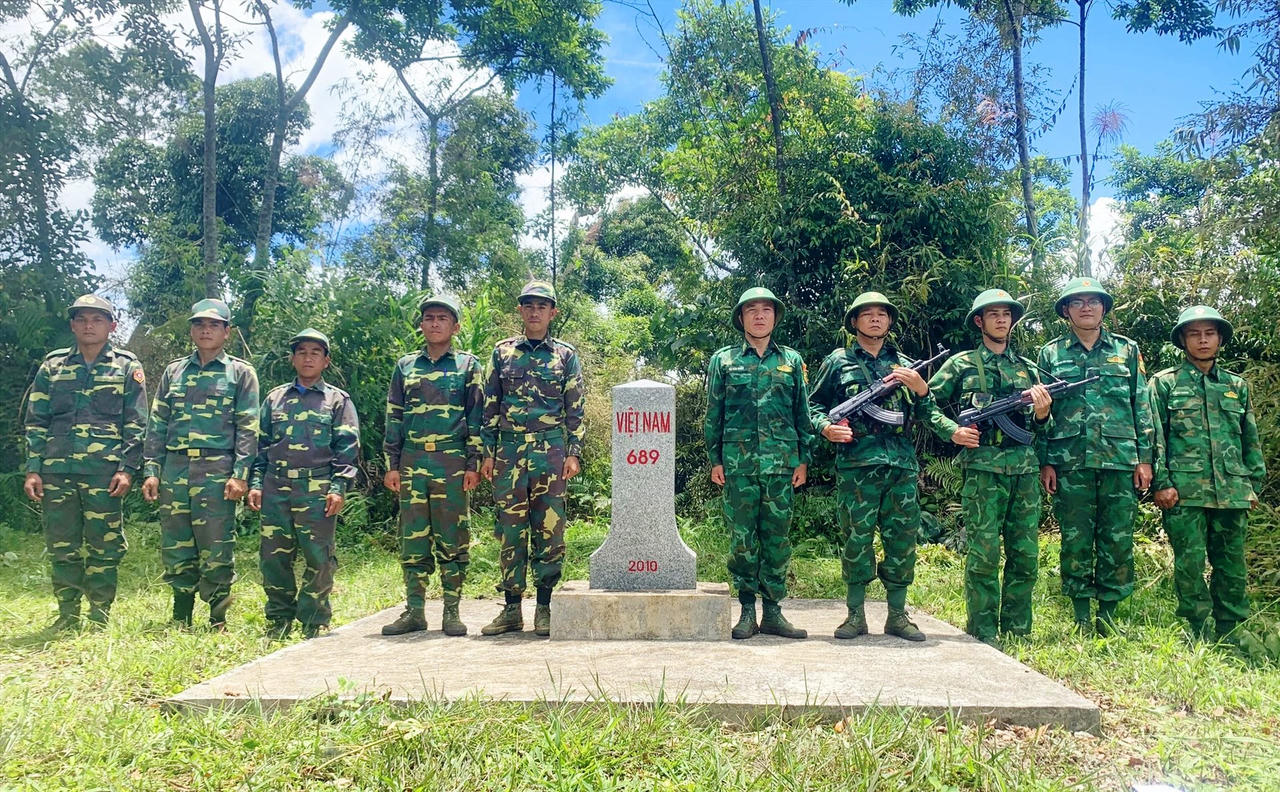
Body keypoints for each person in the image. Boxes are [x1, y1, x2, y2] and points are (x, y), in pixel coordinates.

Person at [925, 289, 1052, 644]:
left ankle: (1017, 630)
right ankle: (982, 631)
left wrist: (1042, 413)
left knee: (1025, 554)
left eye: (1006, 314)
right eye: (992, 314)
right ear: (979, 321)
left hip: (1024, 471)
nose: (1000, 319)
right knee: (984, 554)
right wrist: (953, 431)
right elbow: (924, 403)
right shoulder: (962, 364)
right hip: (982, 471)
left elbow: (1041, 428)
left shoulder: (1029, 368)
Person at [808, 291, 934, 642]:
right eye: (867, 314)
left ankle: (897, 615)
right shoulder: (838, 361)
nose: (875, 319)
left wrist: (922, 390)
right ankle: (855, 616)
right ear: (854, 322)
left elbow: (928, 415)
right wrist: (825, 428)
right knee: (856, 540)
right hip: (857, 467)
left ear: (890, 322)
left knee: (902, 541)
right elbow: (812, 406)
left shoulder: (905, 366)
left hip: (900, 468)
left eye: (882, 314)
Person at [23, 295, 148, 629]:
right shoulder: (53, 366)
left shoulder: (126, 366)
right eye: (81, 319)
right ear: (72, 325)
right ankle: (67, 614)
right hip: (56, 472)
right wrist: (33, 468)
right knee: (62, 546)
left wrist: (128, 468)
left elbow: (136, 423)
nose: (88, 325)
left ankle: (99, 616)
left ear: (112, 326)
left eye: (97, 319)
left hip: (104, 474)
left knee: (104, 547)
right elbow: (37, 420)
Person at [1037, 278, 1154, 635]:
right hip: (1069, 460)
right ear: (1066, 311)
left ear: (1104, 308)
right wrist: (1046, 460)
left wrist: (1144, 458)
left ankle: (1109, 615)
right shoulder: (1050, 354)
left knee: (1117, 537)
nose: (1086, 307)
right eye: (1077, 302)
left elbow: (1142, 404)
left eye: (1093, 301)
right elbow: (1043, 410)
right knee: (1075, 538)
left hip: (1120, 459)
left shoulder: (1127, 349)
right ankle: (1081, 615)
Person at [1149, 305, 1266, 644]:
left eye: (1209, 333)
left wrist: (1252, 485)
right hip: (1185, 492)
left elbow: (1249, 438)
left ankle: (1231, 630)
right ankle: (1196, 629)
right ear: (1183, 340)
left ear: (1219, 339)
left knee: (1231, 565)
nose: (1202, 340)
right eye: (1194, 334)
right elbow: (1156, 436)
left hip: (1232, 491)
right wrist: (1163, 482)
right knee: (1189, 564)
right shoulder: (1165, 384)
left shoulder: (1235, 386)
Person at [142, 298, 259, 629]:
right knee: (176, 543)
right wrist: (152, 470)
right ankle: (181, 615)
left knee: (216, 544)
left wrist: (240, 475)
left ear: (227, 332)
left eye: (213, 325)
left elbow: (248, 427)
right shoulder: (173, 371)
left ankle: (217, 618)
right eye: (199, 324)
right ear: (192, 330)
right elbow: (157, 424)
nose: (205, 330)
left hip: (217, 470)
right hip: (175, 469)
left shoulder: (240, 373)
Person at [705, 286, 813, 640]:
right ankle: (747, 610)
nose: (760, 315)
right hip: (739, 465)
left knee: (777, 538)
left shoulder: (792, 361)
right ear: (741, 318)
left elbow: (802, 412)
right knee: (742, 539)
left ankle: (774, 612)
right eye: (752, 309)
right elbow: (714, 413)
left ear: (775, 316)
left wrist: (803, 458)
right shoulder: (724, 360)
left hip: (782, 464)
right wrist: (715, 458)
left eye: (766, 309)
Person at [479, 281, 585, 637]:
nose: (535, 312)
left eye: (542, 306)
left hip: (550, 451)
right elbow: (490, 405)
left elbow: (575, 409)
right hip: (509, 452)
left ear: (552, 312)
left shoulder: (565, 356)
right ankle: (511, 608)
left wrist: (574, 452)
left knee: (550, 530)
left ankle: (544, 606)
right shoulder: (503, 353)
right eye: (529, 306)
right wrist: (487, 453)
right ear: (521, 311)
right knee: (510, 531)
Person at [381, 296, 483, 637]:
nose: (435, 323)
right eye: (429, 317)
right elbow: (394, 415)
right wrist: (391, 464)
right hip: (412, 461)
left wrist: (473, 463)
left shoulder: (468, 365)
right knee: (413, 537)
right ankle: (414, 610)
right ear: (421, 325)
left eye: (442, 318)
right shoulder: (406, 366)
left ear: (455, 327)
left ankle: (451, 611)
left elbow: (476, 418)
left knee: (453, 537)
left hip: (451, 460)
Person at [248, 329, 359, 639]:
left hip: (317, 490)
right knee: (274, 558)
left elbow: (347, 448)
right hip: (276, 489)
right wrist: (256, 483)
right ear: (292, 358)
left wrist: (339, 487)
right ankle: (279, 619)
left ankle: (313, 620)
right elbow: (261, 446)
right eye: (302, 352)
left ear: (326, 361)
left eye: (315, 353)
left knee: (319, 558)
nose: (308, 357)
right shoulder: (275, 398)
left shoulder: (337, 400)